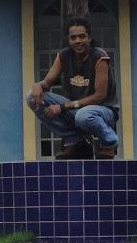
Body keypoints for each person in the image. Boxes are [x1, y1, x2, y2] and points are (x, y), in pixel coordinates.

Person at [26, 16, 119, 159]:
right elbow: (47, 82)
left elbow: (100, 96)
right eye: (73, 37)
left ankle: (109, 142)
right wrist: (38, 86)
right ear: (68, 40)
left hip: (104, 110)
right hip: (76, 110)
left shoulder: (100, 57)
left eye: (82, 36)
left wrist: (62, 107)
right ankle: (73, 140)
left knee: (84, 116)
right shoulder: (64, 56)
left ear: (89, 37)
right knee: (31, 97)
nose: (78, 41)